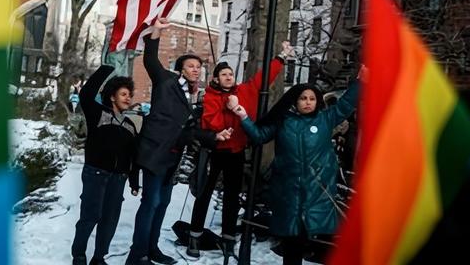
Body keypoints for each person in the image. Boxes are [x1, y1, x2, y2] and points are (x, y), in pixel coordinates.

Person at [126, 18, 233, 265]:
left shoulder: (193, 97)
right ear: (181, 69)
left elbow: (191, 131)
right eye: (191, 66)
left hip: (172, 157)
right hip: (155, 153)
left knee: (163, 203)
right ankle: (137, 255)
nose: (196, 69)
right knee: (151, 202)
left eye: (199, 67)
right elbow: (150, 60)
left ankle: (152, 249)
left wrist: (214, 136)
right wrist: (156, 32)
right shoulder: (167, 81)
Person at [233, 67, 364, 265]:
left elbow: (345, 104)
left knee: (317, 242)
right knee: (292, 244)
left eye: (312, 99)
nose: (308, 102)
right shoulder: (283, 122)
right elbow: (260, 135)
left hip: (318, 193)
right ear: (295, 100)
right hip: (289, 193)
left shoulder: (325, 119)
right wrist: (243, 116)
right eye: (303, 98)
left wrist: (361, 83)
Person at [186, 41, 294, 259]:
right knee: (205, 193)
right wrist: (229, 110)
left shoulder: (244, 90)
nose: (228, 77)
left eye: (230, 74)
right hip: (215, 151)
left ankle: (228, 238)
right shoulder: (211, 95)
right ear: (216, 79)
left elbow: (264, 78)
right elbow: (210, 121)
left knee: (232, 196)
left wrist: (281, 57)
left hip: (236, 151)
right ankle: (194, 236)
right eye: (223, 75)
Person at [71, 65, 140, 265]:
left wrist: (134, 181)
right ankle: (79, 255)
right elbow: (86, 94)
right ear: (112, 97)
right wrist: (106, 69)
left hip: (118, 179)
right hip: (96, 174)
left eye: (130, 95)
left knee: (109, 221)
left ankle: (99, 257)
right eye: (123, 94)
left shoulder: (130, 125)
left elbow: (133, 156)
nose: (128, 98)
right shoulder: (98, 114)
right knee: (90, 216)